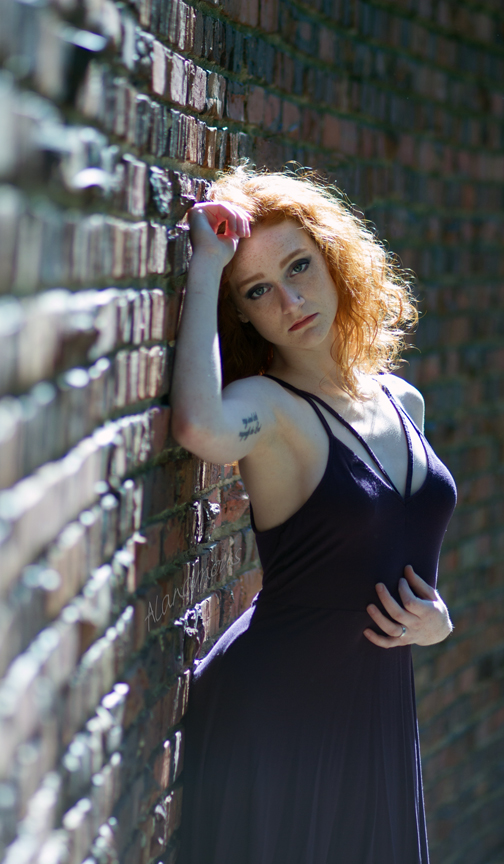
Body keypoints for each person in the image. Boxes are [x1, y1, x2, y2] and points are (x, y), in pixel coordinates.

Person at [170, 166, 457, 864]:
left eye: (300, 266)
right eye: (259, 291)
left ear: (335, 258)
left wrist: (436, 619)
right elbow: (200, 426)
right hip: (280, 718)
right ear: (242, 313)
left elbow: (395, 553)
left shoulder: (401, 401)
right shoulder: (271, 411)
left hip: (375, 718)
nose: (290, 299)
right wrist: (208, 268)